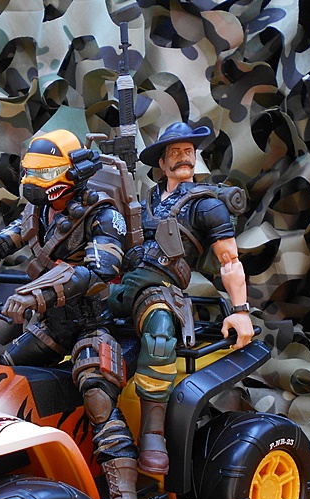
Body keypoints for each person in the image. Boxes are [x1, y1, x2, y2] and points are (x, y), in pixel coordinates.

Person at [0, 129, 143, 499]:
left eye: (44, 174)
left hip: (94, 324)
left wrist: (36, 294)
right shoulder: (38, 214)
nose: (32, 182)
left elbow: (99, 271)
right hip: (52, 326)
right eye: (30, 173)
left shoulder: (103, 214)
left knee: (97, 394)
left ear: (72, 174)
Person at [110, 121, 254, 476]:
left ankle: (152, 434)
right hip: (123, 283)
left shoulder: (205, 205)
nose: (183, 157)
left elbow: (229, 259)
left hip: (160, 289)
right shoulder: (144, 200)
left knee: (160, 334)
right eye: (174, 152)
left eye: (188, 151)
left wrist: (240, 311)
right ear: (161, 163)